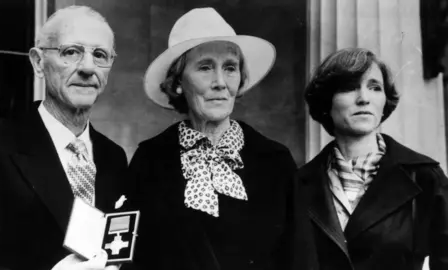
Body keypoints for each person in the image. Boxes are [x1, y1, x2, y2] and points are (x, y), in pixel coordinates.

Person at [126, 7, 297, 270]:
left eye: (230, 68)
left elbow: (299, 258)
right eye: (205, 67)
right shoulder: (149, 161)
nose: (220, 82)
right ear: (179, 81)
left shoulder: (275, 160)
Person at [0, 5, 128, 270]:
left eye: (99, 55)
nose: (88, 67)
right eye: (71, 52)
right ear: (38, 62)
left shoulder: (114, 157)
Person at [297, 47, 448, 269]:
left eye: (374, 87)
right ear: (326, 102)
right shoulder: (299, 184)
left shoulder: (424, 177)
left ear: (384, 100)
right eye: (349, 88)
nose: (364, 98)